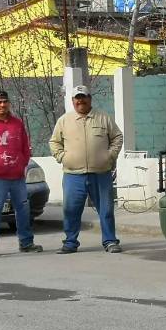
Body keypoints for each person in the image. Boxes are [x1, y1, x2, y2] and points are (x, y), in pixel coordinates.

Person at [48, 85, 124, 255]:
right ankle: (70, 242)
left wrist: (110, 156)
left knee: (105, 209)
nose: (80, 100)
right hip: (73, 175)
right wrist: (62, 157)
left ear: (90, 99)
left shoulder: (103, 118)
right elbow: (54, 142)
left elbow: (117, 137)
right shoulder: (64, 120)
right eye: (77, 98)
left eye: (83, 97)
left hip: (101, 174)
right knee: (71, 210)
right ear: (72, 101)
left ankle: (110, 241)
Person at [0, 91, 43, 256]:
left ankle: (26, 242)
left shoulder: (17, 124)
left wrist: (22, 162)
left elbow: (25, 147)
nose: (2, 105)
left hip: (17, 177)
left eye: (5, 101)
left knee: (23, 209)